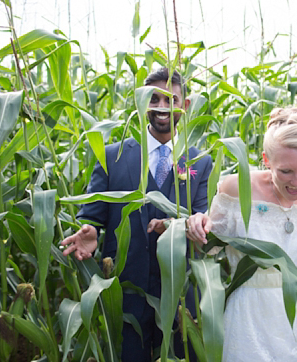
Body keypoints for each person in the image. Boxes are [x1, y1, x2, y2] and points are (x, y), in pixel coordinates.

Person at [186, 106, 297, 361]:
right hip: (248, 314)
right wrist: (197, 224)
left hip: (295, 315)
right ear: (267, 161)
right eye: (286, 171)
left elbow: (291, 241)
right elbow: (211, 244)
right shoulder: (237, 188)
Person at [61, 67, 211, 362]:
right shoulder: (111, 155)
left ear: (185, 104)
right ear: (142, 102)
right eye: (153, 99)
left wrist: (193, 225)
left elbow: (204, 218)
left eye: (170, 99)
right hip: (126, 293)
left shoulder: (200, 161)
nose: (161, 107)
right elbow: (92, 214)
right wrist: (90, 230)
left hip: (180, 293)